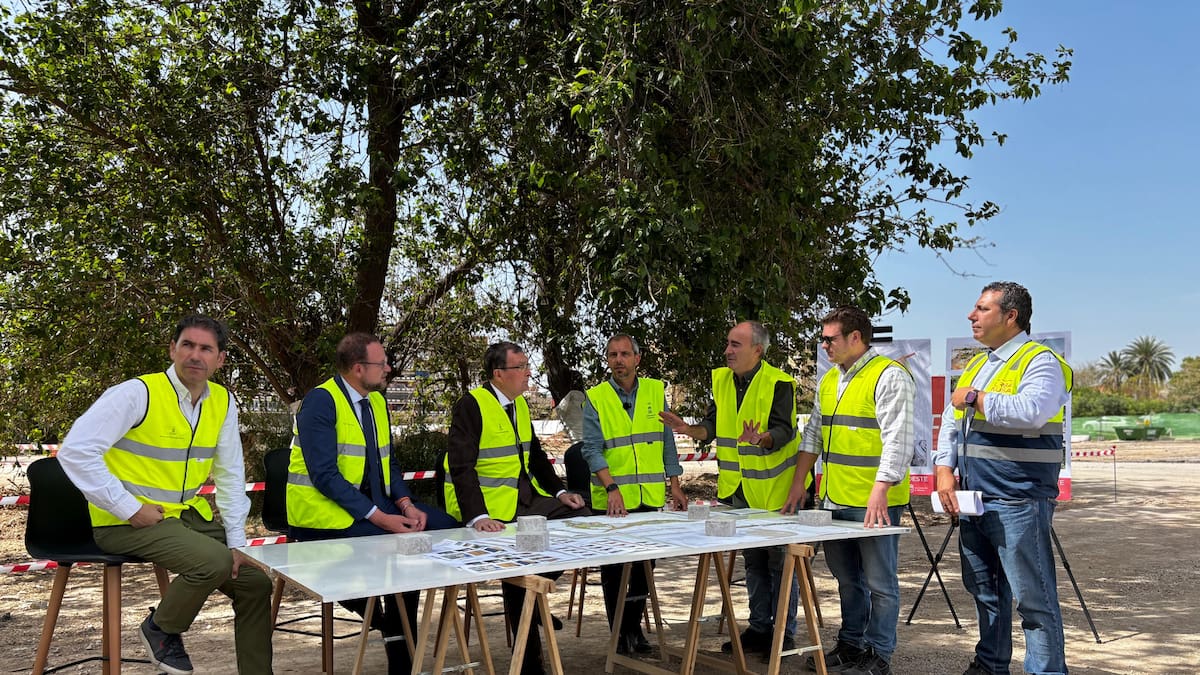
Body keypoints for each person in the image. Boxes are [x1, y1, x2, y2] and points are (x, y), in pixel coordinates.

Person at [57, 315, 272, 675]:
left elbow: (231, 473)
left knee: (254, 583)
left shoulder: (222, 401)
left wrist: (237, 541)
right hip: (123, 521)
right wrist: (127, 507)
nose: (195, 355)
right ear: (172, 349)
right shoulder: (138, 393)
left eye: (206, 349)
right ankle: (161, 629)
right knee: (212, 563)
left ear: (219, 360)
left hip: (181, 516)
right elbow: (75, 451)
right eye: (187, 345)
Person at [287, 332, 458, 674]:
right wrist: (382, 518)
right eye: (382, 364)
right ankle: (394, 638)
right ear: (357, 369)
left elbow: (387, 461)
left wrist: (407, 504)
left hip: (375, 506)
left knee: (447, 529)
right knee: (400, 546)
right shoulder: (321, 402)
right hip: (323, 515)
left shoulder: (377, 401)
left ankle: (399, 636)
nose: (389, 369)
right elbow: (324, 476)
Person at [934, 282, 1073, 675]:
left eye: (981, 309)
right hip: (974, 497)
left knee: (1034, 598)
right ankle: (991, 665)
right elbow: (952, 420)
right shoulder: (979, 364)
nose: (971, 315)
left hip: (1018, 498)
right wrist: (945, 471)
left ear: (1011, 316)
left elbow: (1032, 411)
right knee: (985, 590)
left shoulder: (1041, 361)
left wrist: (977, 399)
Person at [660, 320, 805, 658]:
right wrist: (689, 429)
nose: (727, 350)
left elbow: (784, 430)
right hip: (737, 490)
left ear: (758, 350)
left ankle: (784, 633)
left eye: (735, 345)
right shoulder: (722, 380)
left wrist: (763, 438)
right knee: (753, 562)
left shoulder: (779, 382)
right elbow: (711, 427)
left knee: (780, 564)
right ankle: (759, 628)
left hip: (776, 492)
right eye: (727, 343)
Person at [443, 341, 588, 675]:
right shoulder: (471, 405)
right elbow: (460, 466)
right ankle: (530, 645)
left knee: (579, 515)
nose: (528, 373)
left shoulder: (520, 406)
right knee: (517, 566)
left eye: (527, 366)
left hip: (525, 501)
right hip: (490, 510)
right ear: (499, 374)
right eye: (521, 367)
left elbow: (535, 456)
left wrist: (560, 491)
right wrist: (478, 516)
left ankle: (534, 593)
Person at [793, 307, 914, 675]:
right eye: (823, 339)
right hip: (835, 500)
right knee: (847, 580)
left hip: (874, 502)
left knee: (880, 583)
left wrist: (881, 489)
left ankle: (878, 655)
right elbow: (814, 433)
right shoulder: (830, 379)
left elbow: (899, 438)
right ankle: (850, 645)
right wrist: (799, 483)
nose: (824, 344)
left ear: (856, 338)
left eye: (830, 338)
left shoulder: (890, 376)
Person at [581, 334, 688, 655]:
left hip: (649, 498)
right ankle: (619, 634)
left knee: (644, 570)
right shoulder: (596, 397)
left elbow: (666, 441)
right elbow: (591, 449)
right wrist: (610, 486)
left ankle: (634, 630)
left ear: (637, 359)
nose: (618, 360)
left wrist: (676, 485)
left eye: (625, 354)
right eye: (612, 354)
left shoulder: (656, 391)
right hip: (613, 502)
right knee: (614, 571)